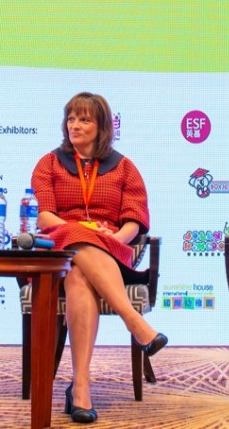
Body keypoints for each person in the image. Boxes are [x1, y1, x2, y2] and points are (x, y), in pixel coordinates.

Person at [31, 92, 166, 424]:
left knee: (81, 273)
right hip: (59, 249)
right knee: (77, 245)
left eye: (85, 119)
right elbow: (46, 218)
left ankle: (80, 387)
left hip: (111, 250)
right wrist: (82, 230)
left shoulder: (124, 167)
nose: (75, 125)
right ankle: (134, 323)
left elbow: (134, 220)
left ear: (102, 126)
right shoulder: (48, 163)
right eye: (71, 118)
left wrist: (114, 238)